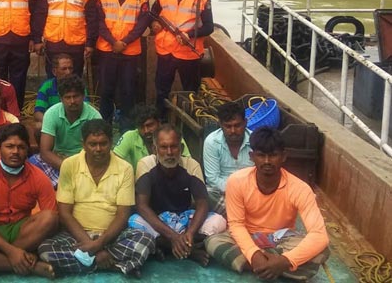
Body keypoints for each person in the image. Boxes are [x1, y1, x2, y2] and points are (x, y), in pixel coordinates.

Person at [205, 127, 330, 281]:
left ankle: (267, 266)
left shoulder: (300, 189)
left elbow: (319, 235)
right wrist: (254, 254)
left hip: (281, 240)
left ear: (284, 156)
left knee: (322, 249)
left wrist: (285, 260)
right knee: (213, 242)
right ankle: (273, 267)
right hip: (248, 237)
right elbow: (236, 224)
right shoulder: (236, 181)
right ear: (252, 156)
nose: (267, 161)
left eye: (273, 155)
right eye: (261, 155)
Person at [37, 120, 153, 277]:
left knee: (145, 238)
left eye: (103, 144)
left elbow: (123, 215)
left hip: (111, 236)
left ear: (111, 143)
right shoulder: (69, 165)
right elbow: (65, 213)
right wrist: (91, 245)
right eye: (92, 144)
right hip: (77, 236)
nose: (98, 149)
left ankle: (87, 263)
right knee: (45, 249)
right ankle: (115, 264)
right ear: (83, 144)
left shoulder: (125, 168)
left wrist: (99, 243)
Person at [0, 123, 58, 278]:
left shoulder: (39, 177)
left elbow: (53, 217)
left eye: (21, 147)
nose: (15, 152)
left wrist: (13, 250)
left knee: (50, 217)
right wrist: (12, 252)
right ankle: (30, 266)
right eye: (9, 146)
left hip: (22, 231)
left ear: (27, 150)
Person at [130, 124, 226, 266]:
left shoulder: (191, 165)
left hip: (185, 220)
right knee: (134, 221)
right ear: (154, 149)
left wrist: (190, 233)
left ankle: (165, 246)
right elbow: (142, 206)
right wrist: (173, 236)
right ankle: (189, 250)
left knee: (219, 221)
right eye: (163, 147)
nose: (169, 152)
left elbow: (202, 203)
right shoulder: (146, 164)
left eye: (174, 147)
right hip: (158, 221)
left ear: (180, 148)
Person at [95, 0, 152, 133]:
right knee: (106, 89)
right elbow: (99, 22)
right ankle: (105, 126)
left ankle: (127, 129)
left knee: (128, 90)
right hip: (107, 50)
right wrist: (113, 42)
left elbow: (143, 23)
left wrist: (124, 42)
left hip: (130, 51)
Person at [151, 0, 213, 118]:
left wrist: (189, 35)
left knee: (191, 92)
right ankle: (161, 121)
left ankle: (190, 123)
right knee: (161, 89)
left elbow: (209, 27)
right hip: (165, 51)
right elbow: (153, 13)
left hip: (188, 53)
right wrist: (154, 24)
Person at [28, 74, 101, 187]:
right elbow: (45, 152)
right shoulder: (52, 113)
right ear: (61, 98)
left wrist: (78, 166)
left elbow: (96, 150)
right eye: (67, 97)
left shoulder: (94, 116)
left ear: (83, 96)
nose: (72, 101)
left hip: (83, 161)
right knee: (31, 164)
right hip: (58, 159)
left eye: (76, 96)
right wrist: (68, 167)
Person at [202, 101, 253, 215]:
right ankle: (245, 217)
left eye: (237, 125)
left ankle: (236, 217)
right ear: (220, 125)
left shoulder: (255, 141)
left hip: (250, 193)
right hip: (221, 193)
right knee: (204, 192)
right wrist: (235, 192)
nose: (233, 131)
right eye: (228, 126)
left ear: (245, 123)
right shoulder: (212, 142)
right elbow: (213, 179)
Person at [113, 104, 161, 173]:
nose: (146, 131)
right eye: (141, 127)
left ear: (159, 123)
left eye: (150, 125)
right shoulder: (130, 136)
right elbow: (114, 161)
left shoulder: (172, 137)